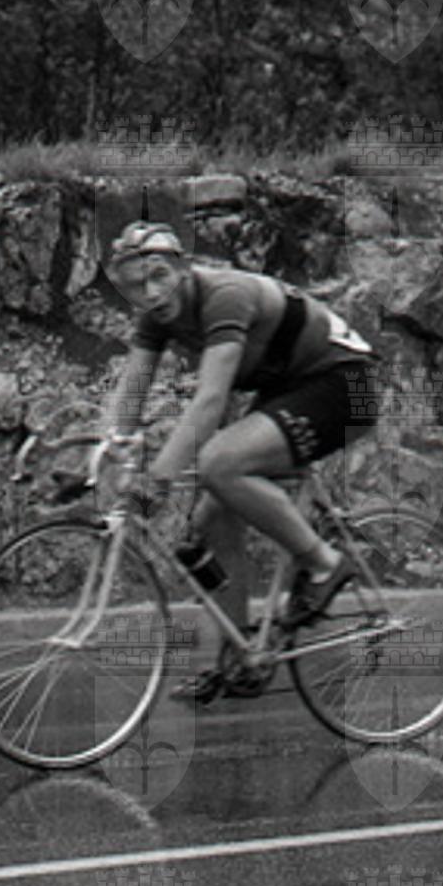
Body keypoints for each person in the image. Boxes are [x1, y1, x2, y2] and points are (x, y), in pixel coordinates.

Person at [99, 221, 379, 702]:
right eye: (136, 284)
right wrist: (110, 445)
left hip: (344, 385)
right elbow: (134, 384)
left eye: (160, 275)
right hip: (290, 386)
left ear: (184, 269)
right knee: (211, 518)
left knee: (219, 464)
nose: (151, 292)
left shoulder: (224, 295)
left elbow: (210, 400)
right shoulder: (156, 312)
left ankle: (324, 563)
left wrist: (158, 479)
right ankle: (238, 657)